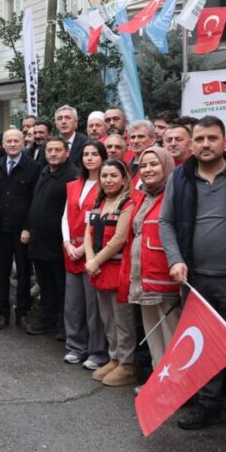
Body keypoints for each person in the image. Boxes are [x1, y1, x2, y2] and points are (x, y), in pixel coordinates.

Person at [159, 115, 226, 447]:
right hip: (196, 281)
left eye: (212, 139)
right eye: (200, 139)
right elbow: (166, 222)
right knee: (203, 350)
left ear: (224, 141)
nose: (206, 145)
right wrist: (175, 260)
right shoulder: (180, 177)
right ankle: (208, 406)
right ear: (192, 143)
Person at [120, 146, 180, 371]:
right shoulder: (143, 195)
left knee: (171, 336)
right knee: (153, 336)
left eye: (154, 164)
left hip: (165, 281)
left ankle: (174, 385)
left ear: (166, 165)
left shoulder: (175, 195)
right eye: (143, 165)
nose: (147, 169)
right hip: (143, 278)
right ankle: (159, 381)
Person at [84, 159, 136, 387]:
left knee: (122, 319)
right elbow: (88, 233)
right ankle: (114, 357)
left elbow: (119, 239)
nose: (108, 180)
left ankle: (127, 363)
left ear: (124, 178)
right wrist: (90, 260)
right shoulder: (99, 202)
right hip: (98, 269)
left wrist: (95, 261)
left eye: (113, 175)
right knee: (107, 318)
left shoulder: (128, 203)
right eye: (104, 176)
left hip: (117, 269)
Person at [23, 138, 78, 337]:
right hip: (39, 242)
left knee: (62, 287)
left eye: (57, 150)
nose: (53, 153)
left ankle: (64, 326)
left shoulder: (73, 176)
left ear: (67, 152)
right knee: (46, 286)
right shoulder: (45, 171)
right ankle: (47, 320)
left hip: (58, 244)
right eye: (50, 150)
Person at [62, 140, 108, 368]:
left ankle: (97, 352)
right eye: (86, 154)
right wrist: (68, 244)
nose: (89, 158)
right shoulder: (73, 185)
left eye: (94, 154)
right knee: (73, 304)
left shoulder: (107, 185)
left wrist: (82, 249)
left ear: (103, 158)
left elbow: (99, 221)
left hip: (92, 253)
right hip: (71, 251)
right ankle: (75, 347)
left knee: (94, 307)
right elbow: (65, 216)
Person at [0, 129, 40, 330]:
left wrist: (28, 228)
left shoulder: (34, 167)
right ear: (2, 144)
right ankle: (2, 313)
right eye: (8, 141)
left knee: (23, 274)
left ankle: (22, 313)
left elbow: (35, 201)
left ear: (23, 143)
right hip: (1, 230)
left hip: (22, 231)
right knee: (0, 273)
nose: (12, 144)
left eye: (16, 141)